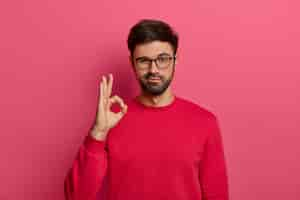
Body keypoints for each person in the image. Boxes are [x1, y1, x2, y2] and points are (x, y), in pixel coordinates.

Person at [64, 19, 229, 200]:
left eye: (162, 59)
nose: (154, 69)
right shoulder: (112, 121)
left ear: (176, 59)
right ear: (132, 63)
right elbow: (76, 196)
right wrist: (98, 133)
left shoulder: (204, 123)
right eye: (144, 61)